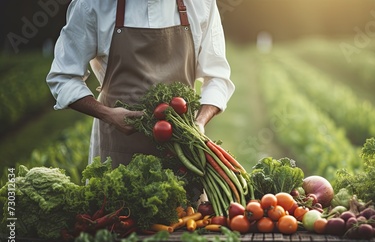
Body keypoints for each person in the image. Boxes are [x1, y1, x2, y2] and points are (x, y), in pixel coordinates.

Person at [46, 0, 234, 168]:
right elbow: (63, 77)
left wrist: (199, 123)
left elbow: (217, 76)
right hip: (117, 148)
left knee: (187, 209)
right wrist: (108, 114)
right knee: (114, 206)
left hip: (183, 149)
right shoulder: (93, 5)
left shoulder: (201, 3)